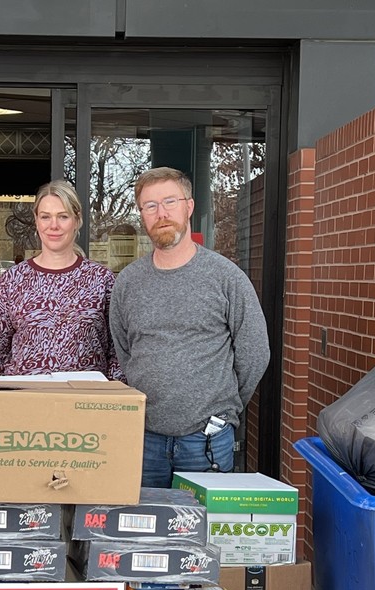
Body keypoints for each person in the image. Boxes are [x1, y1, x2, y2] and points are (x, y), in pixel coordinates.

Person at [109, 167, 270, 488]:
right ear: (142, 214)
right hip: (144, 440)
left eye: (170, 201)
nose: (161, 213)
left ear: (189, 206)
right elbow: (125, 350)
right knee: (146, 533)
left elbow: (255, 354)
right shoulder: (128, 282)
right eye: (150, 205)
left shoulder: (225, 277)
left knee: (204, 537)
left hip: (207, 441)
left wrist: (221, 409)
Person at [0, 179, 122, 379]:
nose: (54, 225)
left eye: (63, 216)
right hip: (25, 401)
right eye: (45, 217)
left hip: (84, 402)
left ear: (77, 220)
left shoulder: (101, 280)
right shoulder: (13, 280)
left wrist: (110, 401)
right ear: (36, 220)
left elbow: (117, 352)